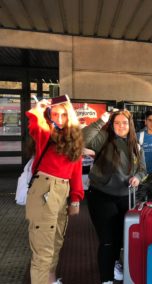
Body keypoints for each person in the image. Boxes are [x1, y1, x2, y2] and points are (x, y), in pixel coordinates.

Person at [83, 109, 146, 284]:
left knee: (120, 238)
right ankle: (106, 279)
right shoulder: (104, 138)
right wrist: (101, 119)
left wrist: (137, 178)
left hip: (125, 196)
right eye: (116, 123)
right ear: (111, 124)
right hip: (101, 196)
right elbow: (83, 138)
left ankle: (114, 264)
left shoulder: (136, 144)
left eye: (124, 123)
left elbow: (142, 169)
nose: (120, 126)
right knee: (108, 240)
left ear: (130, 125)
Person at [25, 96, 84, 284]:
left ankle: (50, 279)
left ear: (70, 116)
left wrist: (75, 198)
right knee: (43, 250)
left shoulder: (74, 137)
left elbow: (76, 170)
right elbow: (35, 127)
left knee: (56, 243)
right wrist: (38, 109)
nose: (59, 118)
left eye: (64, 114)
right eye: (55, 114)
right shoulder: (46, 132)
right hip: (44, 189)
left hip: (62, 191)